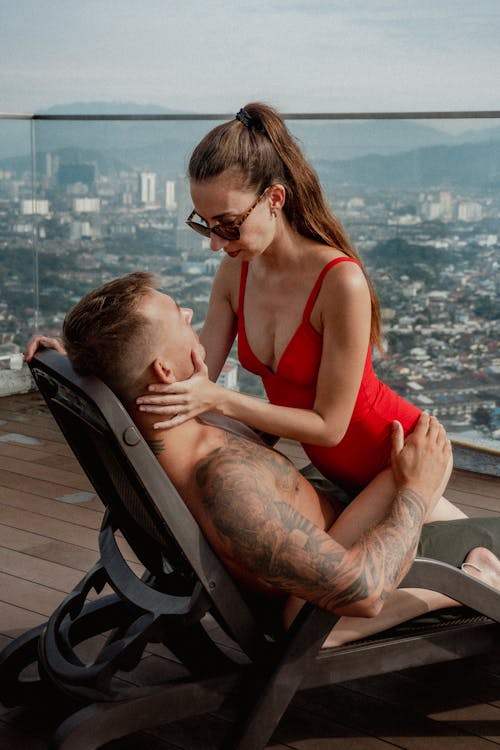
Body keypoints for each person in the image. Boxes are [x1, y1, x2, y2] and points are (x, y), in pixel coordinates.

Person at [24, 272, 500, 647]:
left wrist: (78, 359)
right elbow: (362, 591)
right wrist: (413, 491)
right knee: (465, 514)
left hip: (339, 520)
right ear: (164, 371)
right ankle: (476, 578)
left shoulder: (157, 420)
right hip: (337, 585)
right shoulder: (223, 484)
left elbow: (119, 374)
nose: (190, 312)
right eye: (180, 318)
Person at [133, 103, 463, 526]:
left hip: (398, 460)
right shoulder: (235, 272)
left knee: (323, 590)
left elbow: (329, 427)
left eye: (228, 225)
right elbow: (195, 377)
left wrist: (219, 399)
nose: (215, 243)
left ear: (274, 199)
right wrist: (82, 356)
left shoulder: (340, 282)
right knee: (473, 554)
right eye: (205, 225)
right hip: (337, 473)